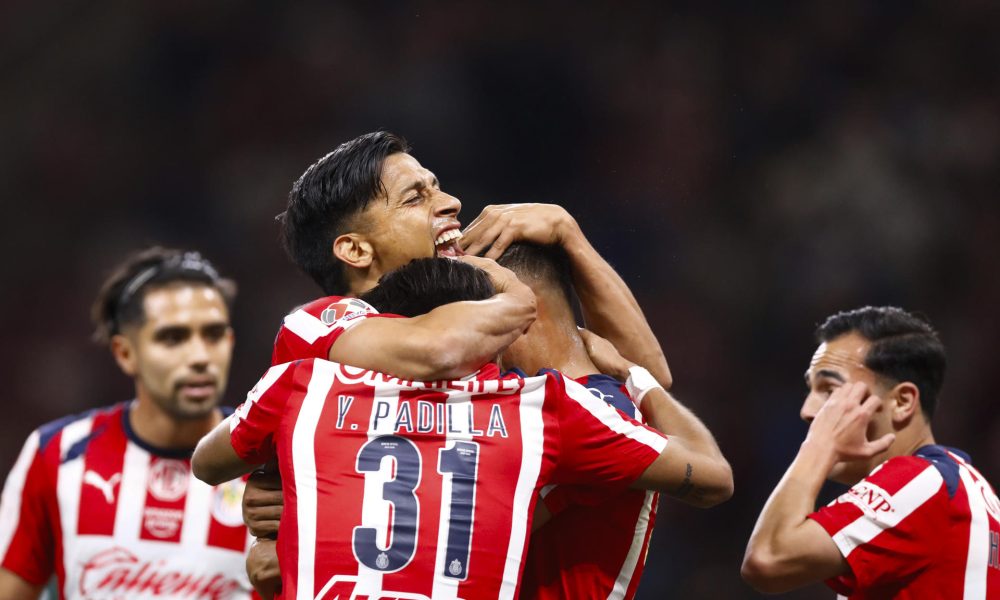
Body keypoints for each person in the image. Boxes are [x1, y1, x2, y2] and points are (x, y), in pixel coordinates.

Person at [192, 258, 731, 600]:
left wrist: (288, 507)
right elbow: (712, 476)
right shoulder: (544, 409)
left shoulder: (306, 382)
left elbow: (207, 462)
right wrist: (634, 378)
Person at [0, 247, 256, 599]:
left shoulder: (272, 462)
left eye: (213, 334)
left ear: (229, 341)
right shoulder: (58, 454)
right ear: (125, 353)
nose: (200, 356)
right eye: (173, 338)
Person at [742, 306, 999, 598]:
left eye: (829, 390)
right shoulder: (960, 487)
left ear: (902, 402)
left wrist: (817, 447)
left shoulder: (922, 481)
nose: (807, 411)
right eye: (809, 390)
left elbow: (768, 558)